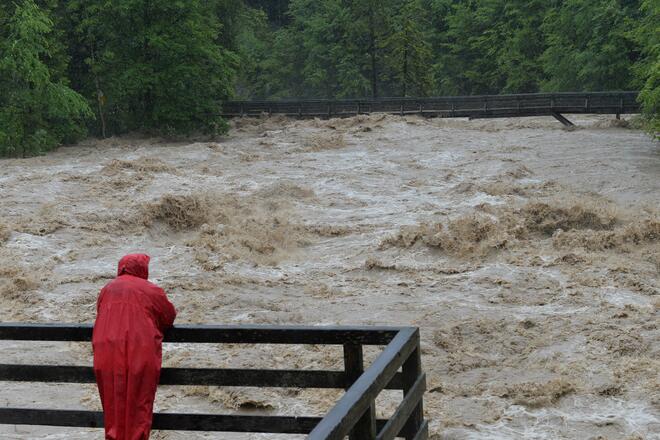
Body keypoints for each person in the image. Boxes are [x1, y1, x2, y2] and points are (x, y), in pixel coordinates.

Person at [93, 254, 177, 440]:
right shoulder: (150, 290)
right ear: (142, 269)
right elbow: (168, 317)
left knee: (113, 405)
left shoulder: (107, 289)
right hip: (139, 351)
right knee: (139, 405)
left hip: (106, 351)